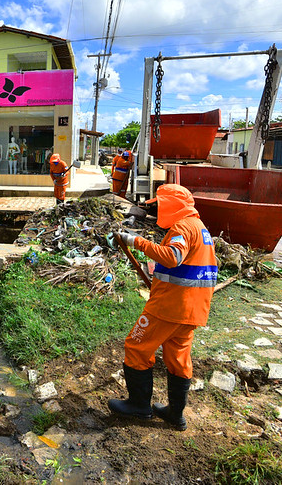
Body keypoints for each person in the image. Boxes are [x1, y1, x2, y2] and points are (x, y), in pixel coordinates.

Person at [108, 184, 218, 431]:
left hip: (169, 307)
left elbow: (172, 257)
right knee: (178, 358)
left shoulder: (182, 227)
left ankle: (139, 405)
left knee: (136, 347)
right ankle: (175, 414)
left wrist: (136, 241)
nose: (157, 209)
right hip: (192, 310)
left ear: (172, 205)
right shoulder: (200, 229)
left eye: (160, 204)